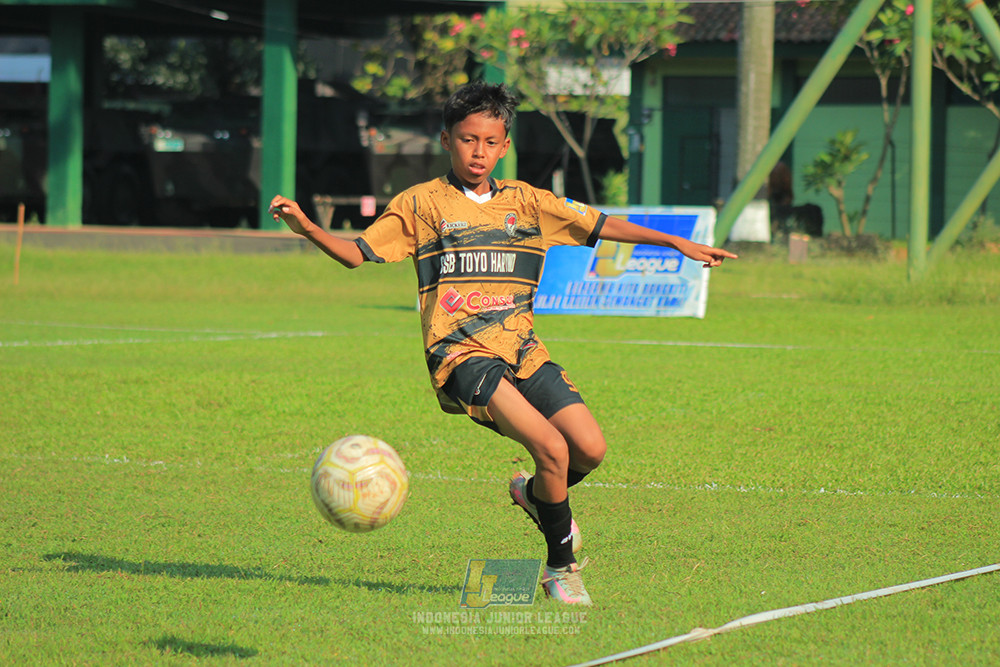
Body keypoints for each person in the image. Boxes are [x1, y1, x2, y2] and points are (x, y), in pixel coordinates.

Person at [269, 81, 736, 606]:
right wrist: (306, 226)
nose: (478, 152)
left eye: (490, 142)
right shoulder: (421, 204)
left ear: (505, 144)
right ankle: (562, 569)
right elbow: (357, 253)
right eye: (468, 140)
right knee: (551, 447)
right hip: (461, 353)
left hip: (522, 349)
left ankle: (533, 495)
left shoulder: (529, 202)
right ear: (447, 140)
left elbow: (600, 224)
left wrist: (675, 240)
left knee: (590, 448)